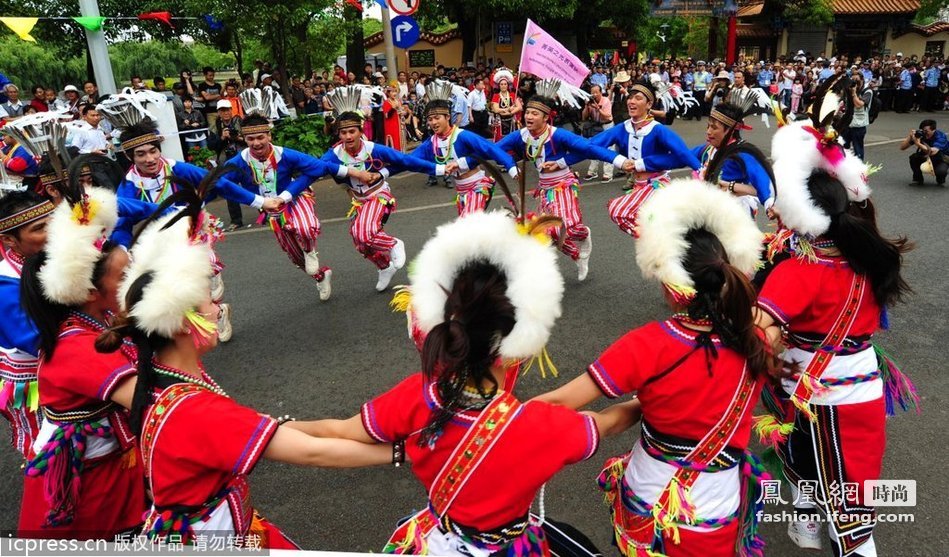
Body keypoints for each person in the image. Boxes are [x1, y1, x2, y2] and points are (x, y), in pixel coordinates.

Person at [300, 211, 639, 555]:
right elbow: (609, 422)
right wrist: (642, 403)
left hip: (438, 540)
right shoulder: (542, 426)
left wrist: (275, 430)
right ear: (516, 341)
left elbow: (339, 433)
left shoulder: (420, 395)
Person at [94, 185, 391, 548]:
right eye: (209, 305)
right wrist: (401, 452)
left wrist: (346, 428)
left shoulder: (161, 380)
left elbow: (265, 430)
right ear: (184, 323)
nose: (219, 309)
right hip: (214, 538)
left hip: (207, 526)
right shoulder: (194, 407)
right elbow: (313, 453)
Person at [536, 180, 776, 557]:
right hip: (720, 504)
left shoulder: (649, 344)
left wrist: (495, 422)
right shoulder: (755, 343)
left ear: (669, 283)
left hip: (652, 499)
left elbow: (564, 400)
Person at [756, 118, 917, 556]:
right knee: (853, 502)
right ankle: (817, 528)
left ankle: (809, 526)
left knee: (807, 463)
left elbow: (760, 334)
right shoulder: (871, 257)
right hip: (861, 387)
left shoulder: (797, 271)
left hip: (807, 386)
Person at [18, 186, 147, 539]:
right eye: (124, 278)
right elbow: (155, 404)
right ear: (90, 293)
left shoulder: (98, 322)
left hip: (111, 467)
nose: (136, 285)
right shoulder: (79, 347)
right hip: (88, 484)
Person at [496, 78, 632, 282]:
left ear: (546, 118)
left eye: (535, 113)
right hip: (544, 188)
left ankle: (584, 233)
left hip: (563, 185)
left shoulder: (558, 135)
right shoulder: (521, 135)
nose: (529, 117)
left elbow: (589, 148)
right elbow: (493, 149)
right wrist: (511, 167)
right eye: (527, 112)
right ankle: (578, 257)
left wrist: (619, 160)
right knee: (547, 232)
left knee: (562, 228)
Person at [223, 114, 368, 301]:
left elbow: (319, 167)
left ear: (269, 136)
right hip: (272, 211)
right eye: (251, 139)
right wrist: (256, 201)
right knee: (296, 258)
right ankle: (321, 276)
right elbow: (219, 185)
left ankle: (309, 250)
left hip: (296, 199)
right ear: (244, 139)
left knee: (306, 228)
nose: (256, 143)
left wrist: (355, 172)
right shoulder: (237, 163)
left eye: (261, 137)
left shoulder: (286, 155)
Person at [322, 86, 451, 292]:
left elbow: (407, 161)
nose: (347, 136)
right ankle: (384, 267)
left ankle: (392, 244)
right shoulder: (334, 154)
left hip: (378, 195)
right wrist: (354, 173)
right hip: (358, 201)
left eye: (352, 131)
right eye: (343, 132)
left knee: (364, 233)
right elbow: (316, 169)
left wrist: (439, 168)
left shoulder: (374, 149)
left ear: (360, 131)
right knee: (360, 242)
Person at [574, 78, 699, 238]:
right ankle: (662, 242)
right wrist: (561, 161)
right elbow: (590, 146)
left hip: (656, 187)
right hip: (638, 186)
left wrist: (700, 170)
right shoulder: (623, 128)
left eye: (638, 98)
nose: (631, 101)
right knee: (647, 227)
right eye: (630, 97)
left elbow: (683, 154)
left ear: (649, 104)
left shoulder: (658, 130)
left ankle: (661, 242)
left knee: (618, 211)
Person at [409, 80, 518, 216]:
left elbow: (490, 148)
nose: (433, 122)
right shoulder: (431, 143)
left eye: (437, 118)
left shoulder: (463, 136)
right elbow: (407, 160)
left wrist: (512, 167)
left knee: (466, 227)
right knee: (471, 233)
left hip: (478, 186)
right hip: (461, 191)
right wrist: (382, 172)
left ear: (448, 117)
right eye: (430, 119)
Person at [0, 192, 53, 463]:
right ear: (10, 240)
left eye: (52, 222)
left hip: (70, 368)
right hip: (36, 383)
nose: (53, 232)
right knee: (49, 456)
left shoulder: (54, 260)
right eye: (39, 228)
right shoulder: (5, 284)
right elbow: (40, 341)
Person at [693, 92, 775, 217]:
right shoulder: (708, 150)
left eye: (714, 128)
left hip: (735, 212)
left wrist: (769, 204)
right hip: (711, 208)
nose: (708, 131)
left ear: (730, 131)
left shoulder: (741, 152)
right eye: (708, 126)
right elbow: (682, 155)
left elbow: (760, 176)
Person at [208, 100, 247, 231]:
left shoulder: (241, 122)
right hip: (226, 161)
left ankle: (265, 213)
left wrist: (237, 138)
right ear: (219, 112)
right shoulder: (214, 127)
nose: (225, 113)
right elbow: (211, 146)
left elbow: (249, 140)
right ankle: (236, 220)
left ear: (231, 110)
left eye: (227, 110)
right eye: (222, 110)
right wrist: (222, 138)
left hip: (243, 158)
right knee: (230, 189)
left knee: (254, 185)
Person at [581, 85, 615, 183]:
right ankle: (592, 172)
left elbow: (608, 116)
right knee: (594, 147)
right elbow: (584, 117)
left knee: (608, 148)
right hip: (596, 127)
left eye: (596, 92)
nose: (594, 94)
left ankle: (607, 174)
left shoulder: (606, 101)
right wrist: (586, 106)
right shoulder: (590, 102)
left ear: (601, 92)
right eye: (592, 92)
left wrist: (598, 108)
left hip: (607, 126)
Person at [901, 118, 947, 187]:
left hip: (941, 158)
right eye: (923, 131)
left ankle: (940, 179)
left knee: (941, 171)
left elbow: (932, 152)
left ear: (933, 130)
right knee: (913, 158)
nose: (924, 133)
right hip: (926, 155)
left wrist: (918, 143)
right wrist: (910, 137)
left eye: (926, 131)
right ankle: (918, 179)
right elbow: (902, 148)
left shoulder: (941, 136)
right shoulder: (921, 135)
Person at [843, 73, 872, 161]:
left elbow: (859, 105)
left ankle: (859, 171)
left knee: (857, 149)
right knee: (843, 147)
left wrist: (854, 93)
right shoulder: (848, 90)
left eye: (857, 80)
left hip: (859, 125)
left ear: (862, 80)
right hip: (847, 124)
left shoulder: (867, 91)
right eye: (853, 80)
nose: (855, 83)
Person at [490, 69, 522, 141]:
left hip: (512, 121)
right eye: (501, 84)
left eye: (505, 84)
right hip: (500, 122)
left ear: (508, 85)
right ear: (499, 86)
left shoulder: (513, 95)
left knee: (512, 140)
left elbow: (519, 107)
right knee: (500, 140)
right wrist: (508, 109)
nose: (503, 86)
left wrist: (510, 112)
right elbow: (496, 109)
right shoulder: (496, 96)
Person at [382, 83, 403, 151]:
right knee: (393, 140)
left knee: (400, 140)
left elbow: (400, 112)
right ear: (388, 93)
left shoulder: (398, 101)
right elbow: (387, 115)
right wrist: (393, 108)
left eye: (395, 91)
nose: (394, 93)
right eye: (392, 91)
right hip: (391, 125)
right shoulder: (386, 102)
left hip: (399, 124)